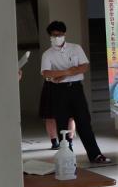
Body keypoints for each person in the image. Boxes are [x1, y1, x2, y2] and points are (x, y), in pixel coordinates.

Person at [39, 21, 111, 164]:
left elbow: (84, 67)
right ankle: (68, 157)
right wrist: (69, 71)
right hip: (58, 91)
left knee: (84, 122)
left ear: (64, 34)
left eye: (59, 34)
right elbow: (46, 73)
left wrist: (63, 74)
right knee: (62, 124)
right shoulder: (47, 54)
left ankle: (95, 155)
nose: (56, 37)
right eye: (53, 35)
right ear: (50, 36)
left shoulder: (75, 48)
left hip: (76, 89)